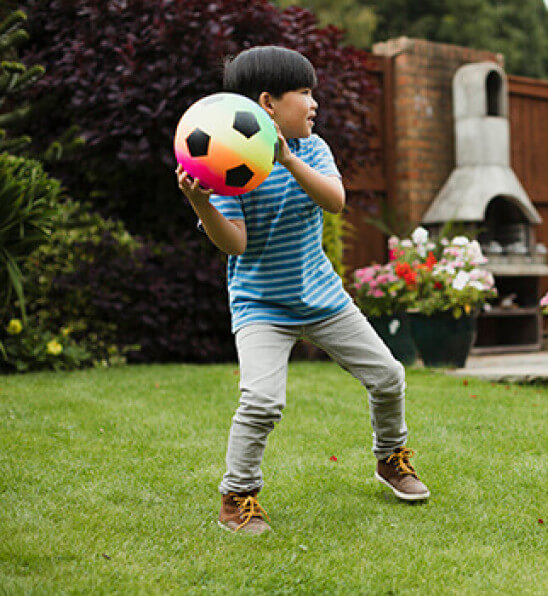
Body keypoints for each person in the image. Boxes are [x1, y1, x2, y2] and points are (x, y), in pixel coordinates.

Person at [176, 46, 430, 535]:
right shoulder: (228, 164)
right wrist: (201, 204)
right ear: (267, 104)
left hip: (322, 297)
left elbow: (335, 202)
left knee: (388, 376)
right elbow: (236, 244)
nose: (315, 103)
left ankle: (390, 458)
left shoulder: (313, 148)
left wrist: (288, 160)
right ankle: (238, 495)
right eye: (305, 93)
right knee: (261, 400)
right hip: (262, 306)